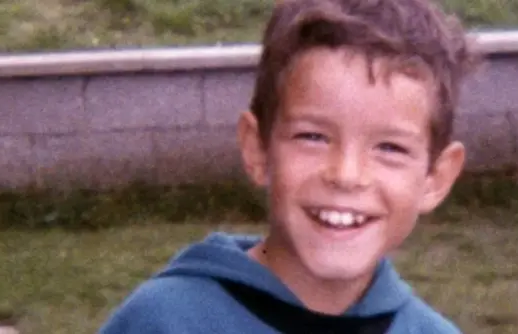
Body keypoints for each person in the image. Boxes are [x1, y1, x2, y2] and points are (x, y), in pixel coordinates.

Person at [99, 0, 478, 332]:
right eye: (313, 137)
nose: (346, 175)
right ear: (257, 149)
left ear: (435, 178)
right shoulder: (163, 321)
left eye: (390, 148)